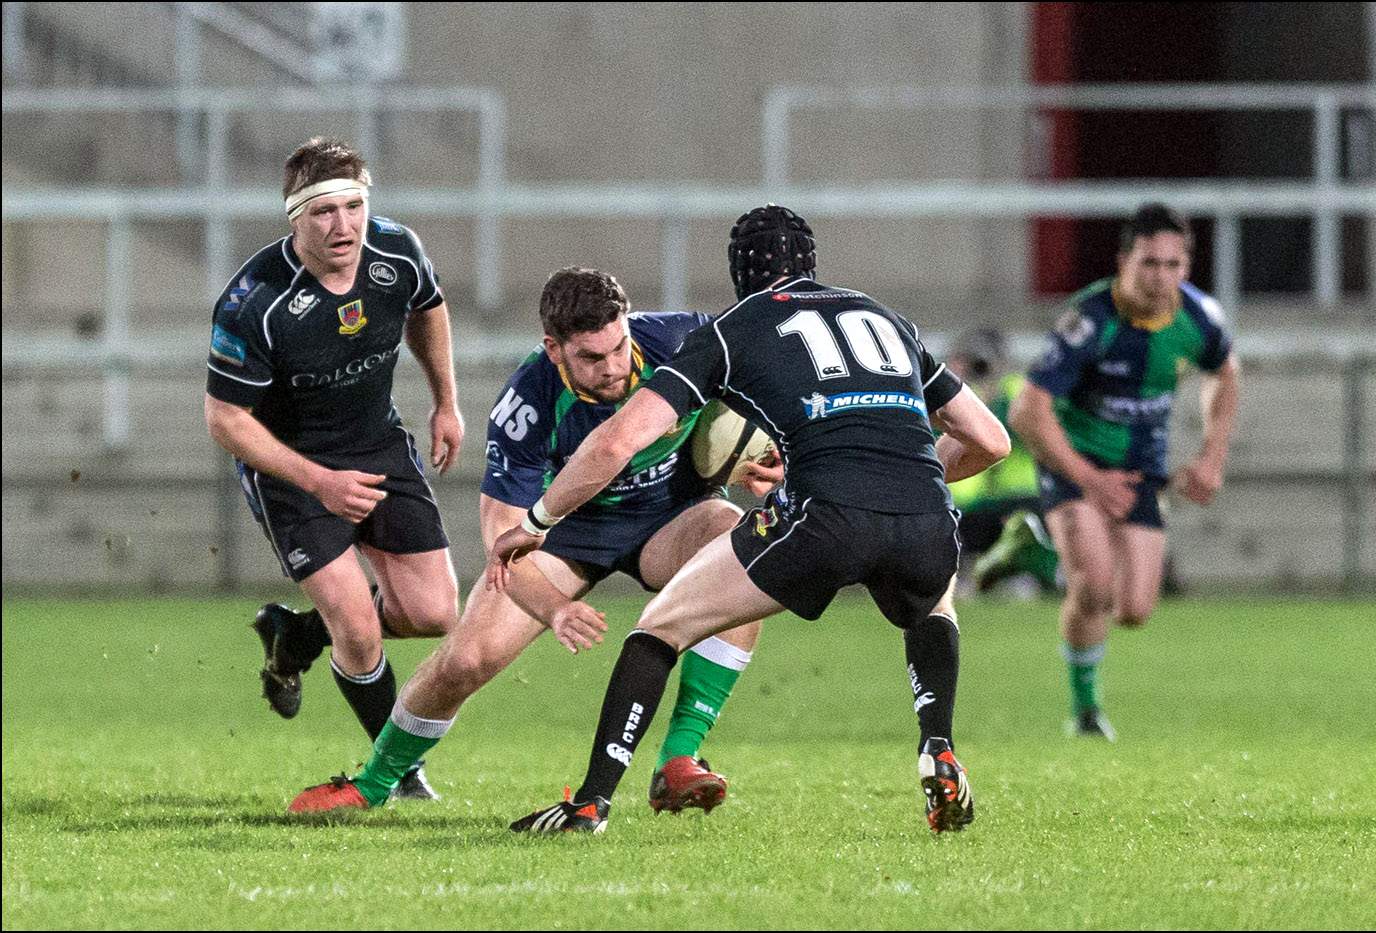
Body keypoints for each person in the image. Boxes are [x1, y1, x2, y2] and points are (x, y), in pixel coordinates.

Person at [490, 205, 1010, 835]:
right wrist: (898, 482)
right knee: (930, 604)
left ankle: (590, 804)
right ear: (811, 262)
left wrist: (537, 522)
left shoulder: (734, 329)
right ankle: (939, 748)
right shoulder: (886, 318)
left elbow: (614, 443)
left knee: (659, 628)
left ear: (739, 271)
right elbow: (991, 441)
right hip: (925, 514)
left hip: (824, 518)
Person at [287, 267, 782, 815]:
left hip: (670, 518)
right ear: (554, 349)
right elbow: (504, 543)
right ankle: (373, 784)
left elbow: (781, 384)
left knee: (742, 550)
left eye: (619, 347)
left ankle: (680, 758)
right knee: (466, 660)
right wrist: (555, 610)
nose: (614, 368)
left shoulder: (682, 338)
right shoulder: (525, 408)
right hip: (561, 539)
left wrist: (769, 456)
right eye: (591, 358)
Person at [204, 137, 464, 799]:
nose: (342, 225)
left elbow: (429, 308)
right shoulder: (255, 301)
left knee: (434, 611)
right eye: (323, 211)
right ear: (296, 218)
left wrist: (446, 401)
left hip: (377, 446)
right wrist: (319, 482)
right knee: (358, 625)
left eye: (353, 206)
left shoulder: (397, 251)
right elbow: (227, 420)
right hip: (291, 471)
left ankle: (295, 634)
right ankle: (401, 775)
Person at [1008, 202, 1240, 741]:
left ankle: (1036, 552)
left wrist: (1211, 457)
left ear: (1187, 266)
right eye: (1148, 263)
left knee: (1134, 609)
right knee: (1093, 587)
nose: (1161, 277)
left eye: (1173, 264)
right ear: (1123, 262)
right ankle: (1086, 712)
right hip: (1075, 462)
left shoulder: (1200, 317)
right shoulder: (1090, 320)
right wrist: (1090, 480)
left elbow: (1226, 374)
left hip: (1139, 468)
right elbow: (1027, 411)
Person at [941, 328, 1060, 595]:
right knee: (963, 522)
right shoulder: (964, 394)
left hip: (1023, 492)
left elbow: (1017, 428)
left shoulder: (1016, 388)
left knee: (1022, 527)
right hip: (983, 497)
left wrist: (990, 401)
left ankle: (1024, 574)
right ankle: (973, 575)